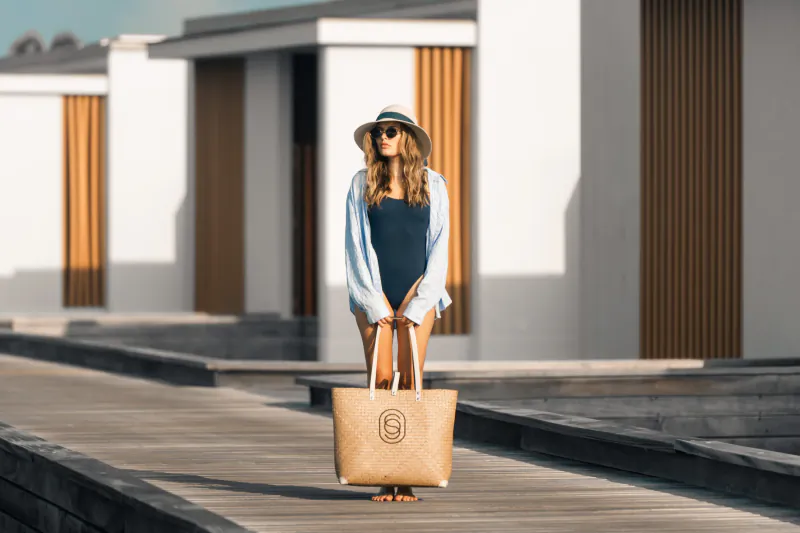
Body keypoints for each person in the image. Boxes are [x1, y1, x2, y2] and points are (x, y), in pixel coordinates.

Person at [345, 104, 451, 502]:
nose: (383, 137)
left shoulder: (434, 184)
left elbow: (440, 248)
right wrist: (374, 302)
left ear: (407, 137)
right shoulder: (360, 185)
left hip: (416, 293)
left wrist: (419, 302)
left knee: (410, 382)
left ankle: (406, 480)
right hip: (372, 292)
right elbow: (354, 247)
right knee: (381, 380)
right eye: (378, 132)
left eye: (391, 131)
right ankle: (383, 475)